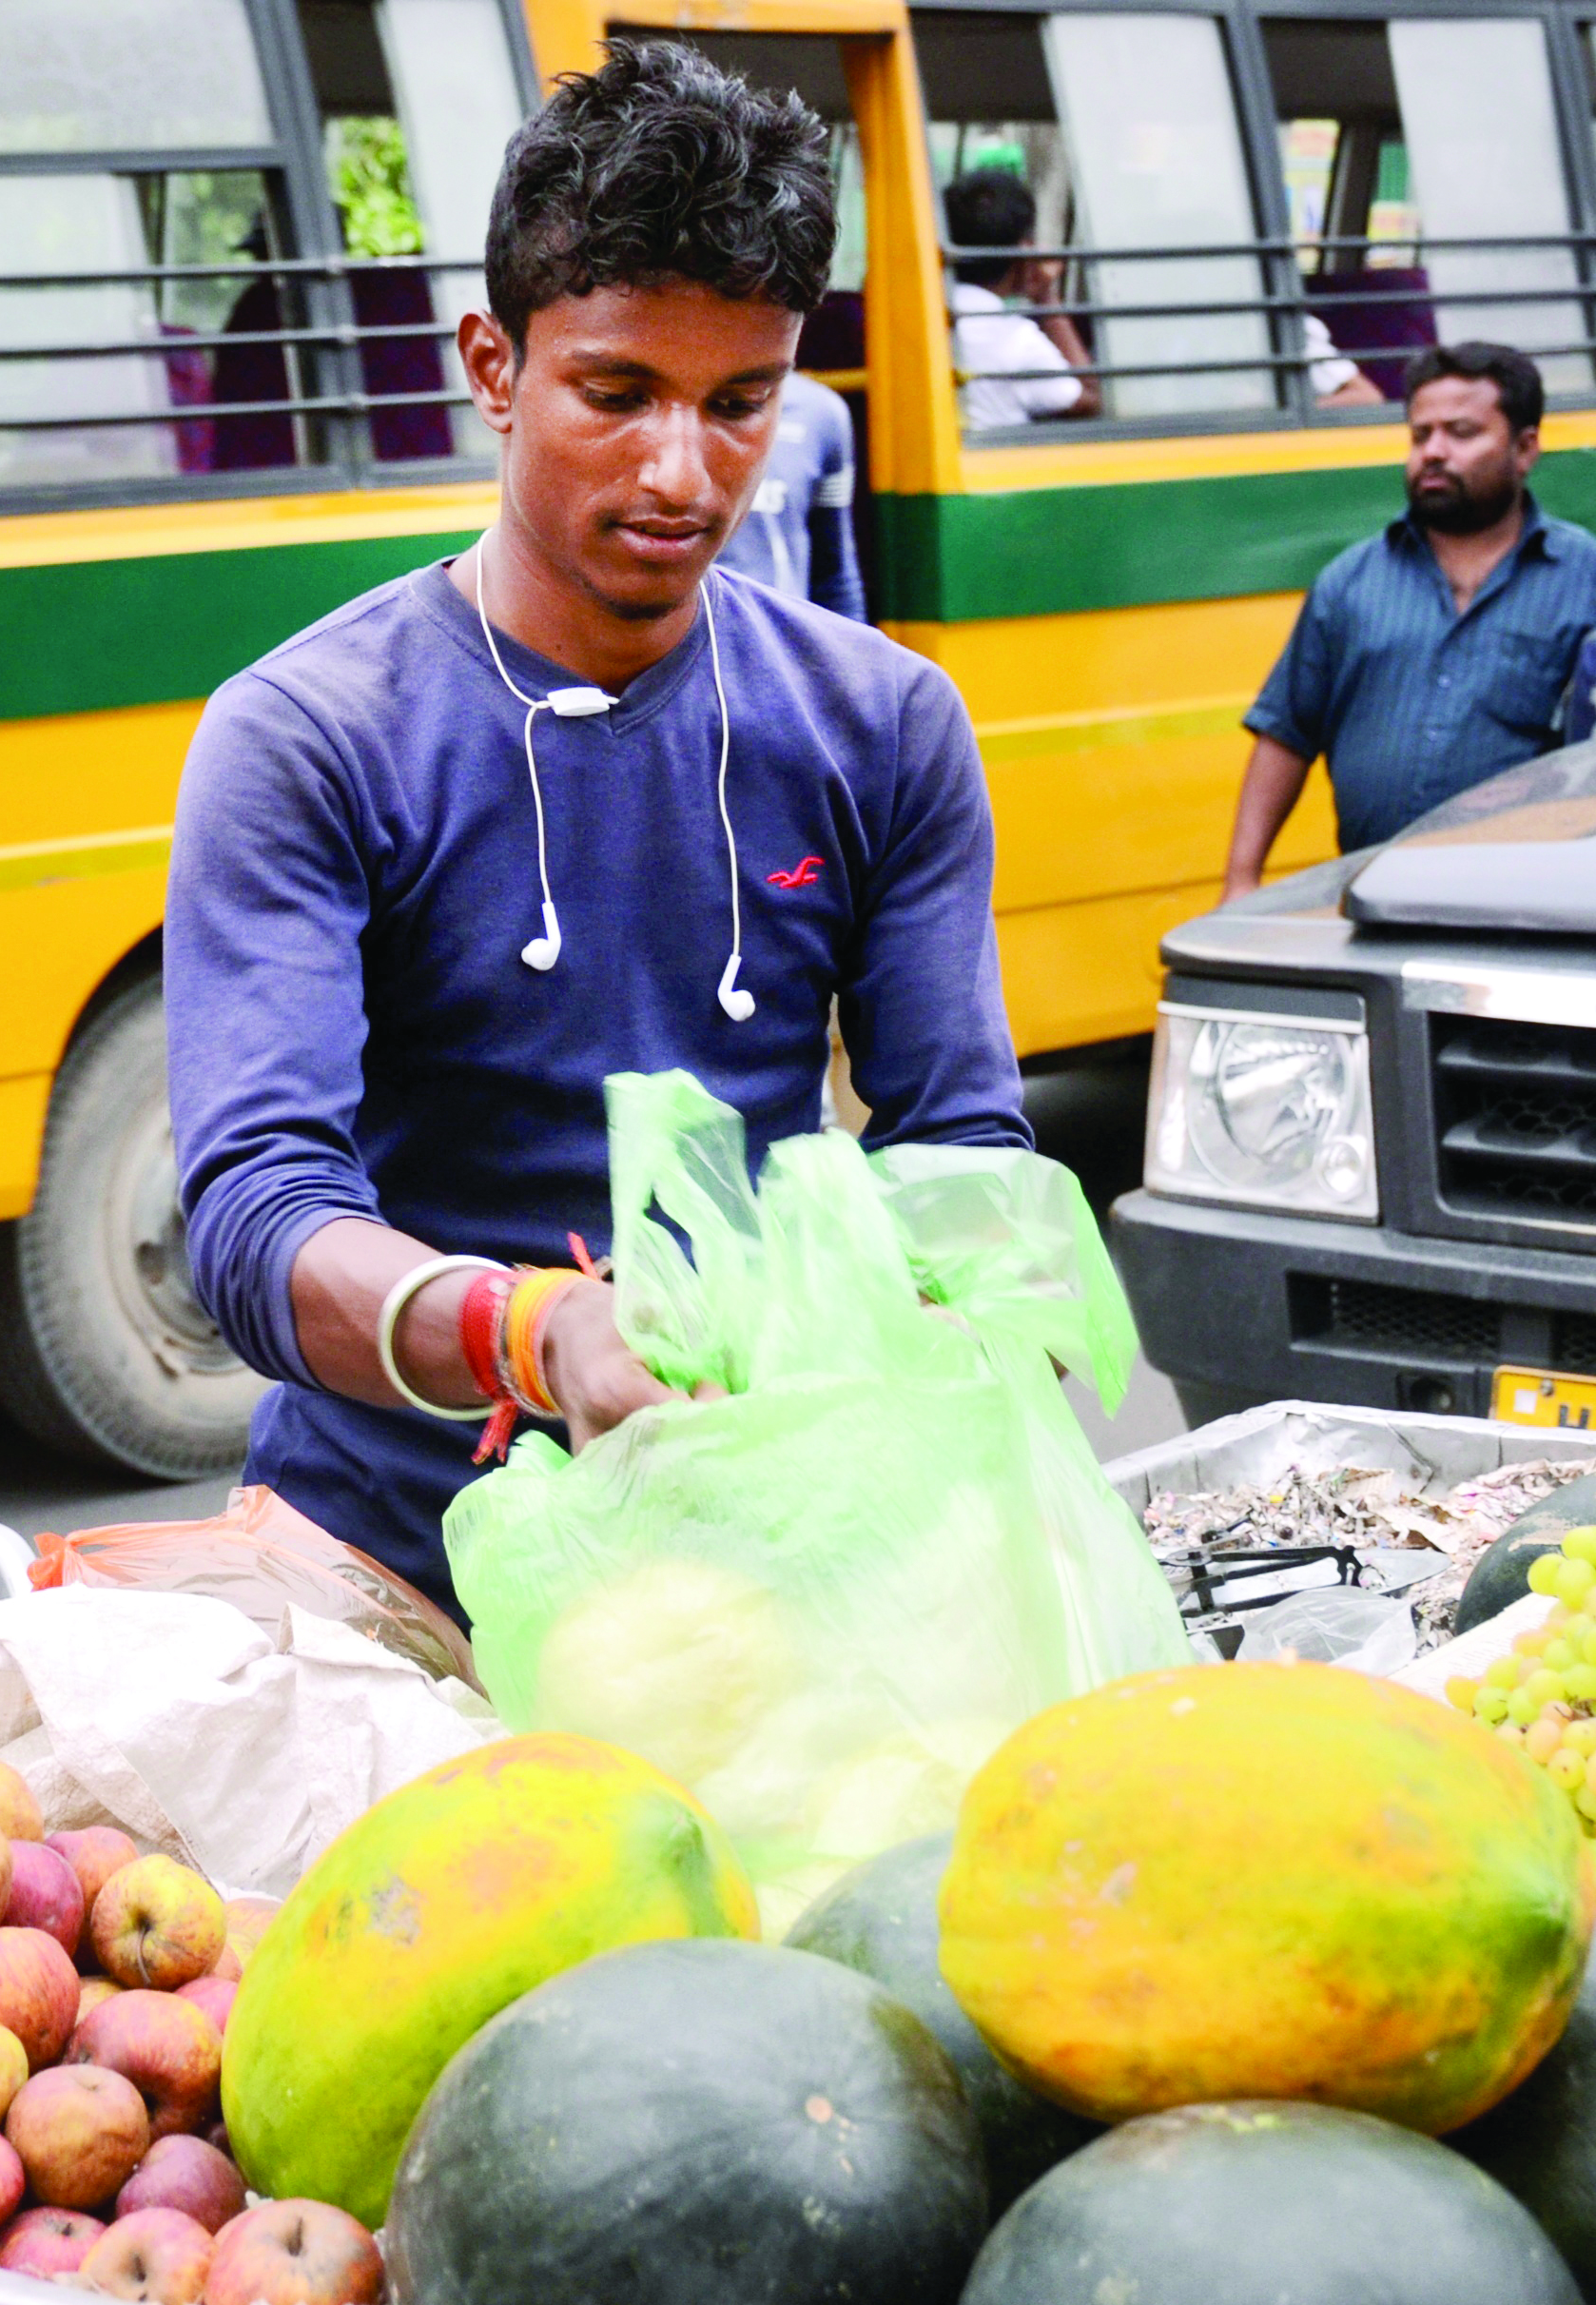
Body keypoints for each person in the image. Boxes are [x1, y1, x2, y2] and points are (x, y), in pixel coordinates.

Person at [165, 42, 1032, 1607]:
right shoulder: (307, 735)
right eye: (617, 393)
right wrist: (529, 1330)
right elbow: (252, 1210)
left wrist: (939, 1321)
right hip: (385, 1557)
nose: (681, 470)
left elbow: (954, 1144)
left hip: (767, 1544)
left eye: (739, 403)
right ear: (493, 367)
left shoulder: (883, 725)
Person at [1225, 342, 1596, 894]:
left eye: (1461, 433)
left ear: (1525, 449)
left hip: (1533, 906)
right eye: (1421, 435)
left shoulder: (1584, 577)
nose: (1434, 452)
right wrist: (1241, 878)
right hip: (1375, 899)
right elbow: (1286, 733)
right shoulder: (1350, 583)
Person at [944, 166, 1098, 428]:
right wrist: (1047, 297)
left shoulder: (921, 316)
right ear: (1026, 251)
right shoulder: (1015, 339)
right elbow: (1091, 398)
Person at [710, 368, 864, 619]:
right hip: (679, 644)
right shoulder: (675, 404)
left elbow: (834, 575)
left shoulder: (820, 412)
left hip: (782, 641)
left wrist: (857, 654)